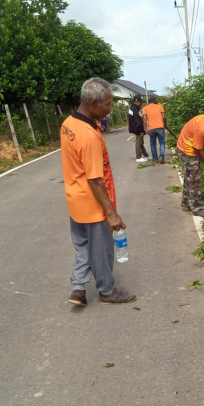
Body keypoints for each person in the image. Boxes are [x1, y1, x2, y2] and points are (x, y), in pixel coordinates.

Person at [60, 77, 136, 306]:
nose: (111, 108)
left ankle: (78, 288)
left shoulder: (68, 124)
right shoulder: (89, 135)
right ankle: (107, 291)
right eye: (108, 104)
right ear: (93, 103)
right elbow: (94, 179)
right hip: (93, 204)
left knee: (83, 247)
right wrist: (111, 213)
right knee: (102, 250)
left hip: (75, 201)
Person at [142, 98, 167, 164]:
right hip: (160, 127)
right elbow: (164, 117)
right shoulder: (159, 107)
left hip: (151, 128)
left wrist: (146, 129)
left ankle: (155, 159)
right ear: (155, 102)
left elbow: (144, 118)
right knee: (162, 142)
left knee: (153, 144)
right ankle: (161, 157)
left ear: (149, 103)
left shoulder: (145, 108)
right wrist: (165, 124)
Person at [128, 94, 149, 163]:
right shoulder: (135, 109)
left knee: (141, 143)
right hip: (137, 129)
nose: (141, 103)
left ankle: (146, 155)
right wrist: (141, 131)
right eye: (140, 102)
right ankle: (138, 157)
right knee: (139, 143)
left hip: (135, 128)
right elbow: (138, 121)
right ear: (136, 101)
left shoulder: (133, 108)